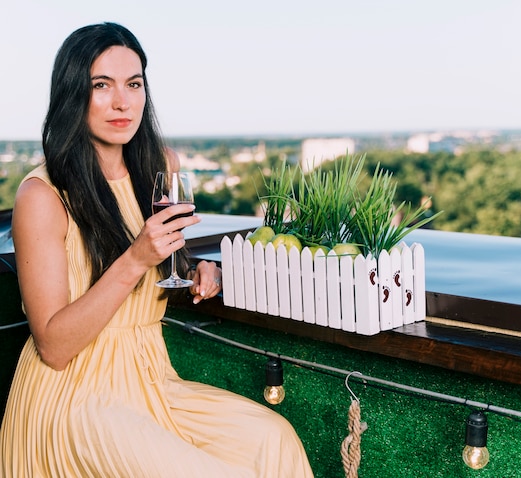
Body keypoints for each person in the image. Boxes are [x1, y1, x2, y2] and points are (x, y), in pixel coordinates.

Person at [0, 22, 313, 477]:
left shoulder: (160, 167)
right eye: (101, 85)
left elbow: (163, 272)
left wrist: (196, 273)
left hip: (150, 380)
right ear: (73, 93)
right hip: (73, 397)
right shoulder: (42, 196)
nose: (122, 102)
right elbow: (54, 346)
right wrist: (135, 259)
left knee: (274, 437)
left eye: (134, 84)